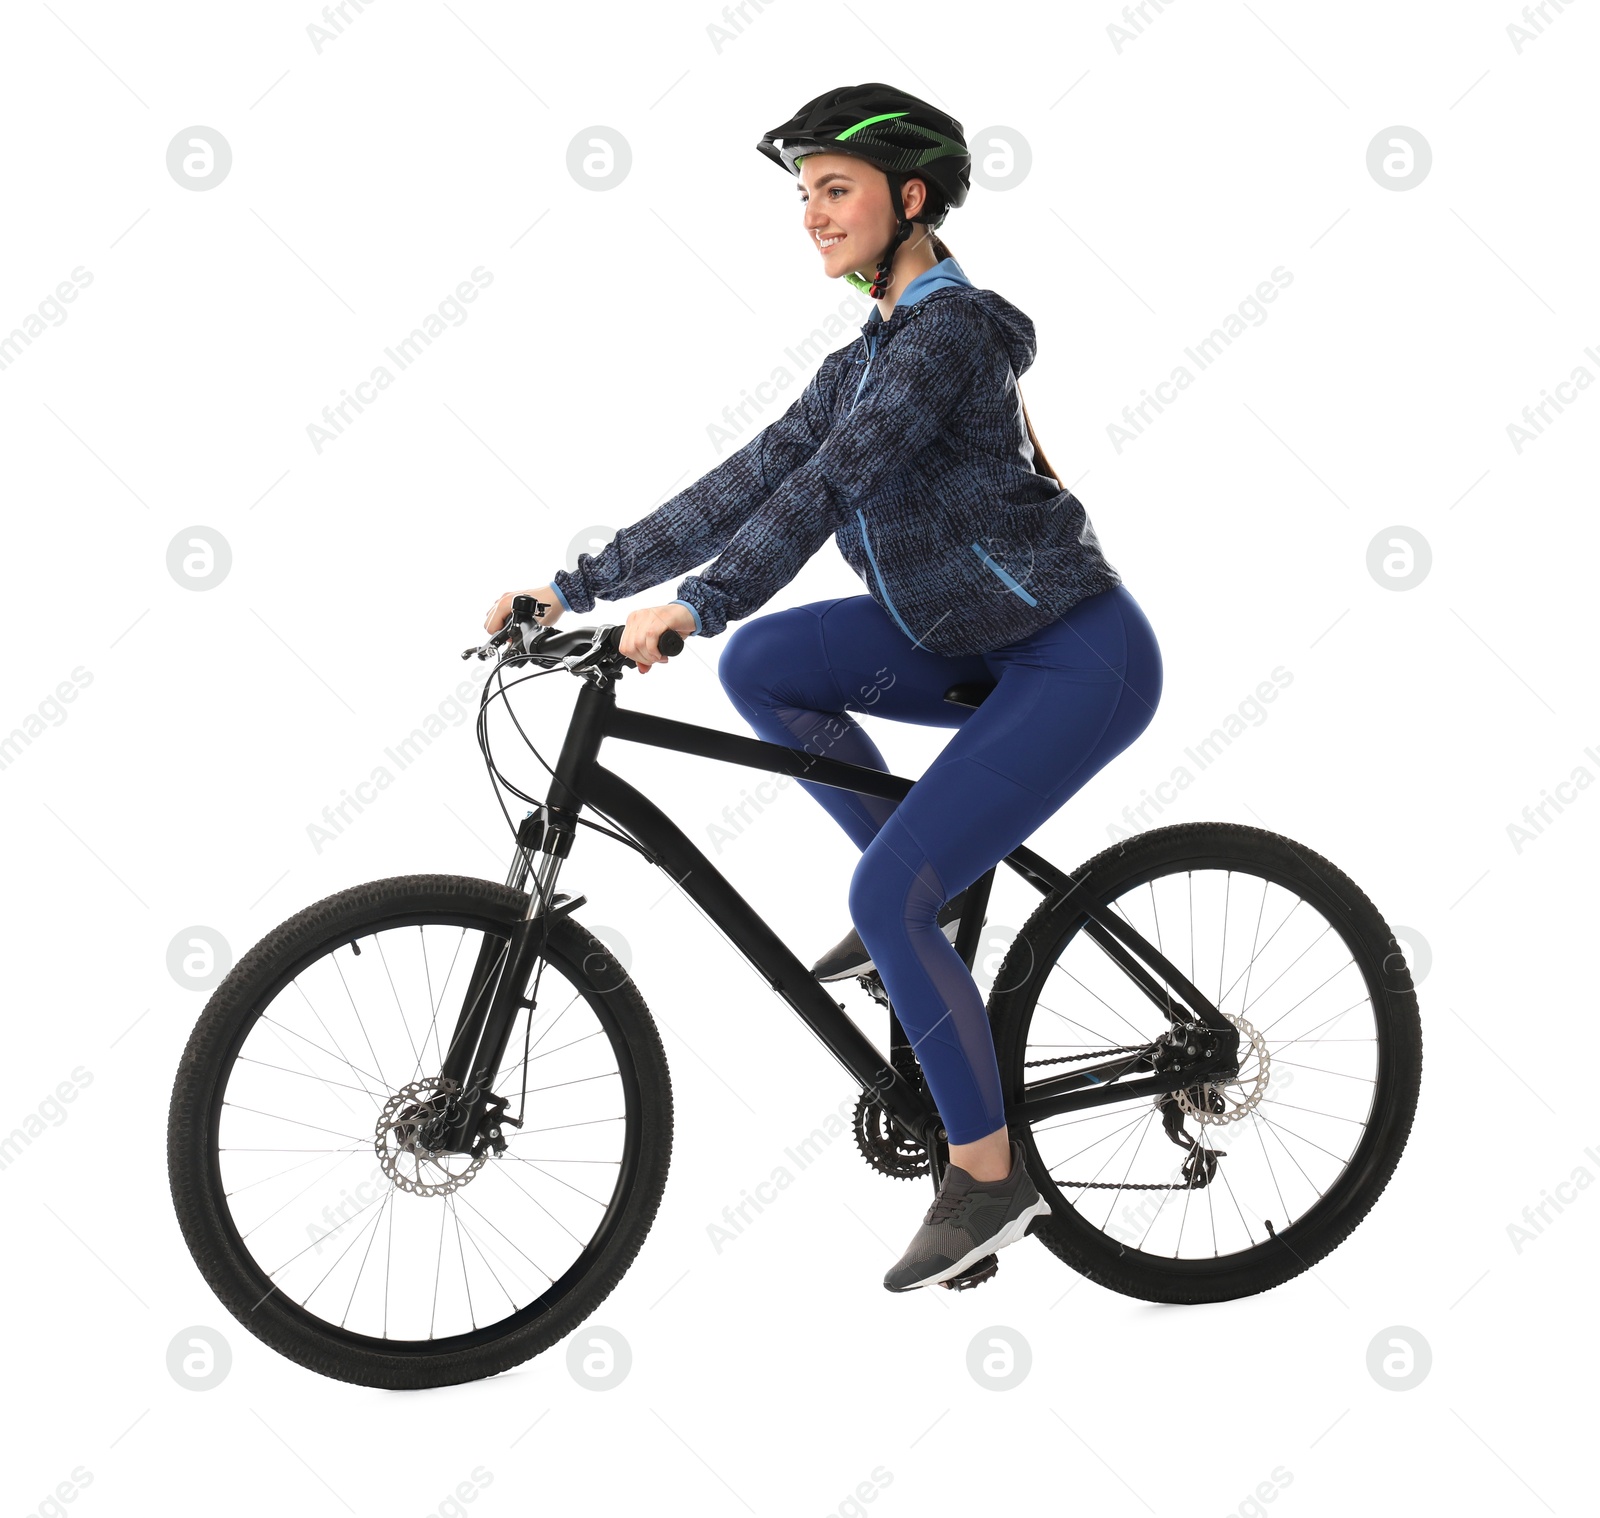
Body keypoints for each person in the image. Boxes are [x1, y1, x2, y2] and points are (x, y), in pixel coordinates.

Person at [485, 82, 1163, 1293]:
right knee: (765, 666)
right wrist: (573, 586)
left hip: (1076, 657)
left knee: (887, 890)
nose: (811, 214)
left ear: (911, 199)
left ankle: (990, 1175)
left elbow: (832, 488)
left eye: (834, 189)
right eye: (803, 194)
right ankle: (928, 891)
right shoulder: (868, 354)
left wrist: (699, 601)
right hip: (969, 634)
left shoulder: (946, 338)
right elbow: (749, 477)